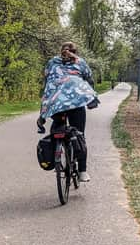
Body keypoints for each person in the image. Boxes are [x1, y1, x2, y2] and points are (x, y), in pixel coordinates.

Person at [36, 42, 99, 181]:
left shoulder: (52, 62)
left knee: (56, 130)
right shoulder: (80, 62)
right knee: (79, 134)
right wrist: (91, 98)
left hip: (56, 103)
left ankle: (56, 158)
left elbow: (47, 85)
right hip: (76, 102)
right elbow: (90, 80)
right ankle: (83, 171)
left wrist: (42, 116)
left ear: (60, 51)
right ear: (75, 52)